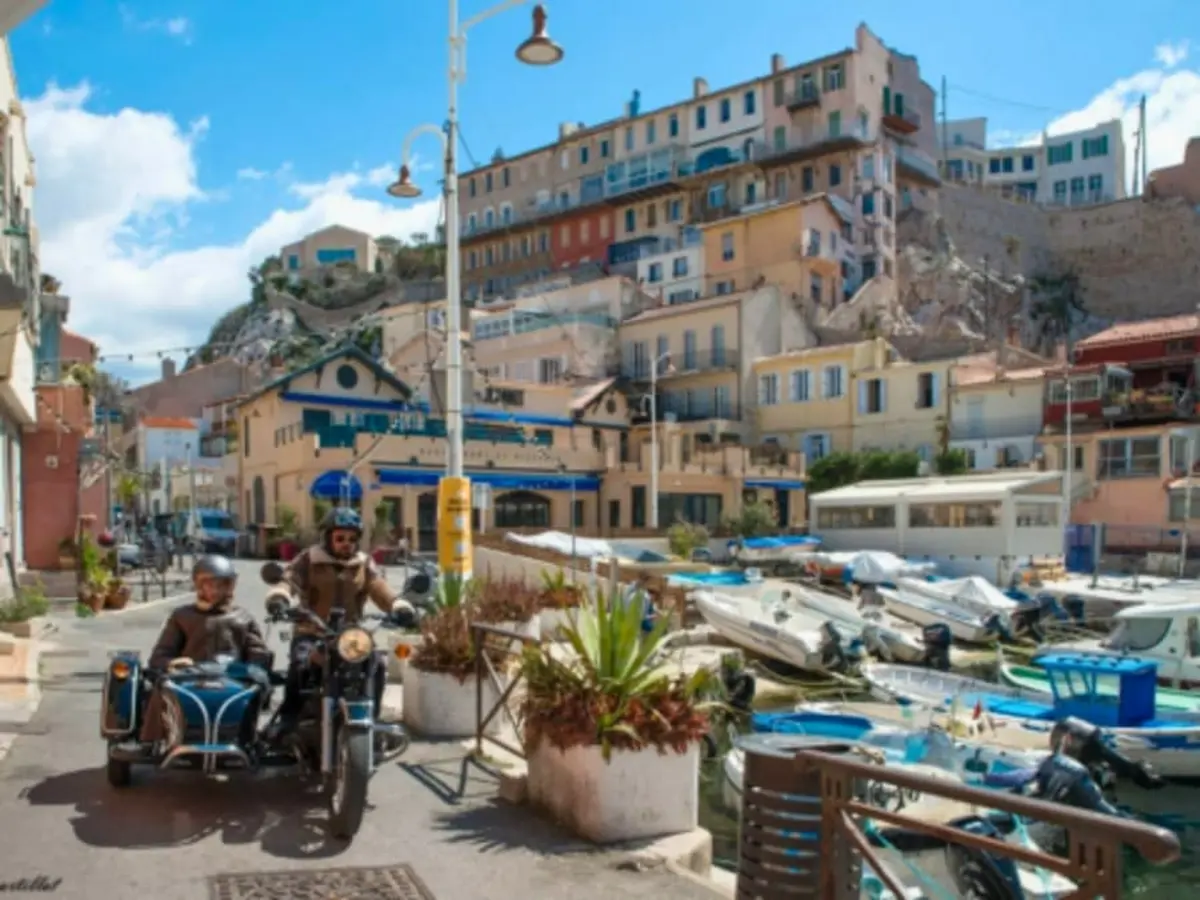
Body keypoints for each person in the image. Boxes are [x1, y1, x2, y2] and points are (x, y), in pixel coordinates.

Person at [266, 506, 415, 740]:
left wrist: (399, 606)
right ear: (327, 537)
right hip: (313, 630)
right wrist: (279, 597)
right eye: (340, 538)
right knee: (300, 663)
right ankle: (288, 717)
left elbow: (379, 588)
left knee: (376, 665)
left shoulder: (363, 563)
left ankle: (371, 720)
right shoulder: (309, 558)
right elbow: (289, 580)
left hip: (350, 635)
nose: (347, 543)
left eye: (352, 538)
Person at [137, 554, 270, 751]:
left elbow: (258, 654)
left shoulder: (243, 618)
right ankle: (150, 741)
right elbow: (160, 655)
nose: (214, 590)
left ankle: (249, 738)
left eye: (221, 584)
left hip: (231, 680)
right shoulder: (182, 616)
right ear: (198, 585)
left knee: (259, 686)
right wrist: (172, 664)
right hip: (189, 678)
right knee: (162, 685)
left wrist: (254, 669)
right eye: (208, 584)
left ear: (230, 586)